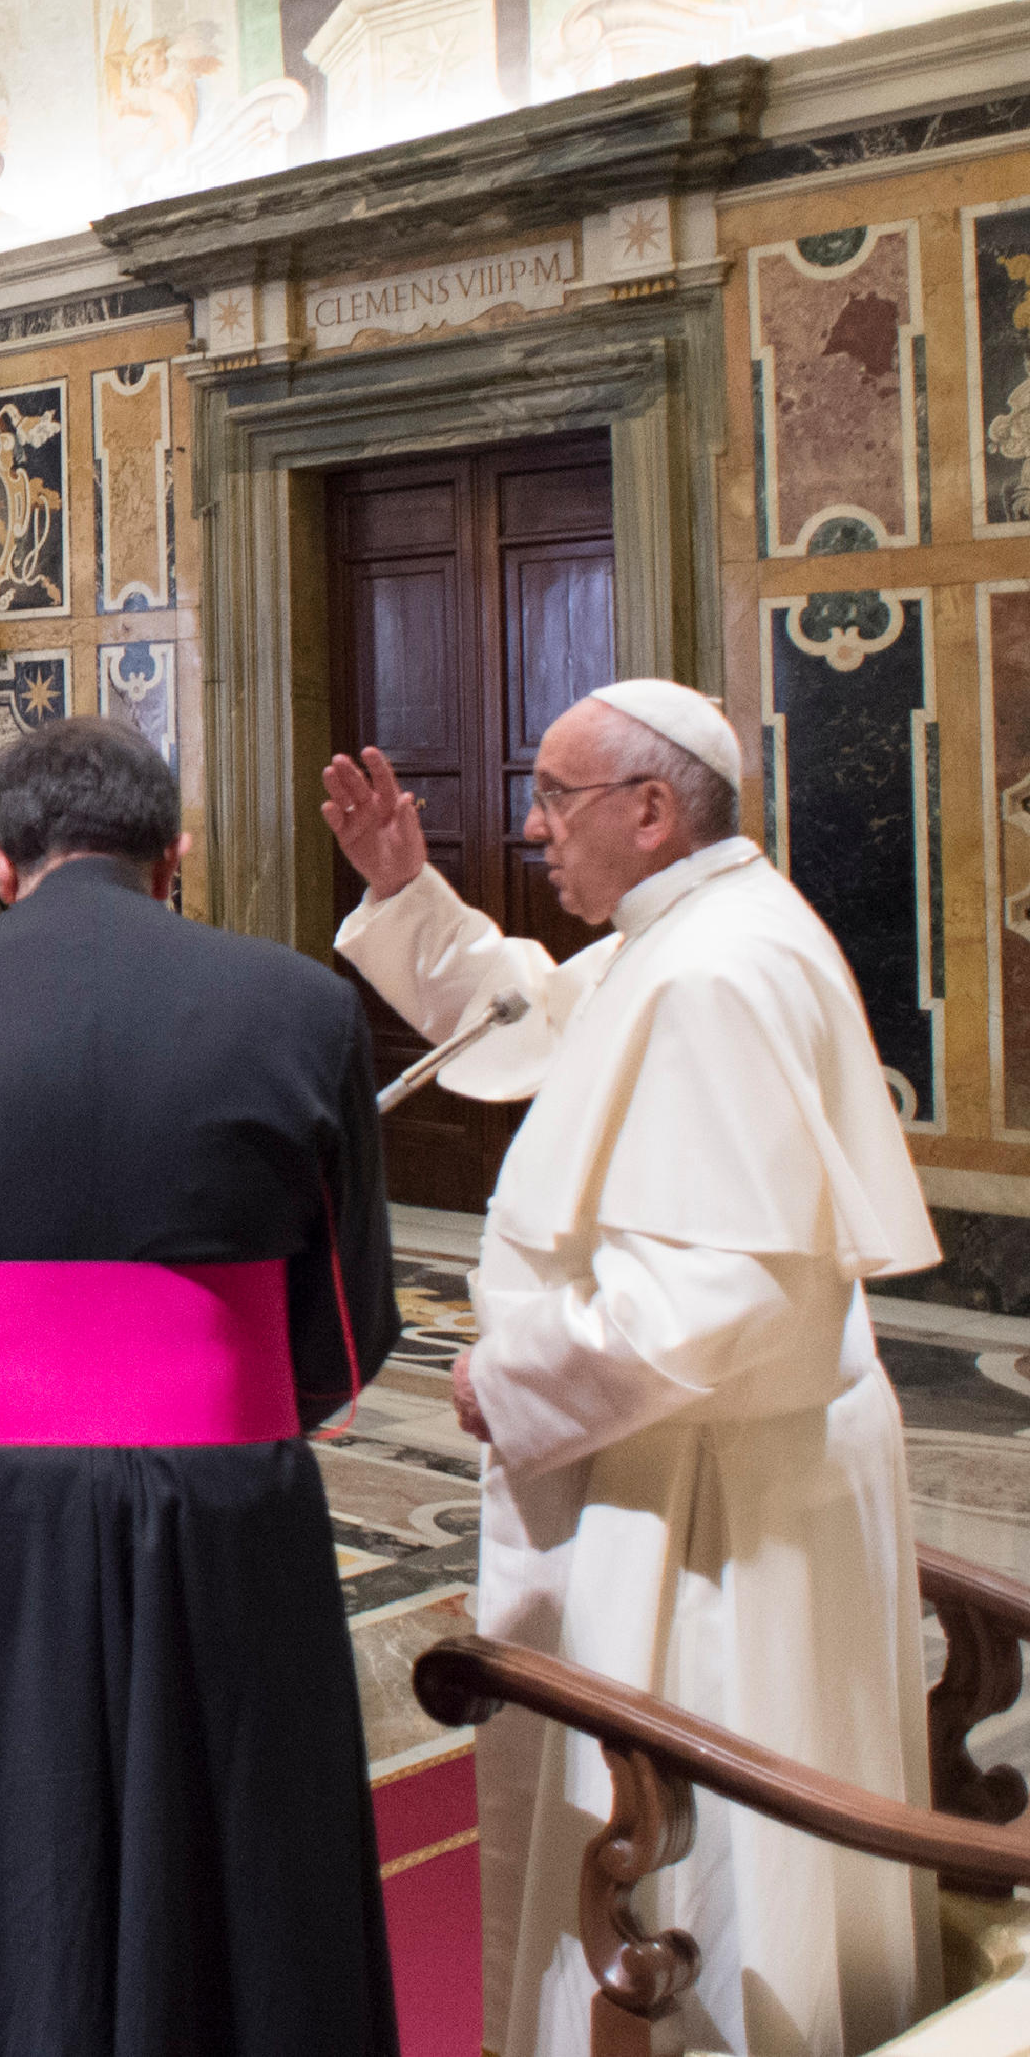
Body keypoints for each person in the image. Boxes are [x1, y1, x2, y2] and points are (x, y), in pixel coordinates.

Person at [0, 717, 401, 2057]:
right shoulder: (305, 1005)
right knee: (234, 1866)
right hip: (221, 1515)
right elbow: (348, 1318)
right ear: (176, 856)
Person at [322, 681, 943, 2057]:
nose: (533, 825)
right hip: (707, 1464)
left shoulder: (718, 970)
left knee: (714, 1871)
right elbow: (523, 1017)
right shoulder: (684, 934)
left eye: (556, 796)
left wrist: (512, 1378)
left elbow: (720, 1292)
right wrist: (409, 895)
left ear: (652, 810)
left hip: (713, 1504)